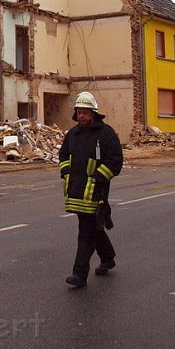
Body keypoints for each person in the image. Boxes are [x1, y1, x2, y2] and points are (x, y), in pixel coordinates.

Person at [59, 91, 123, 288]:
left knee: (86, 232)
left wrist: (98, 178)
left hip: (96, 191)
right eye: (79, 112)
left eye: (85, 112)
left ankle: (79, 275)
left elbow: (115, 161)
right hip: (76, 192)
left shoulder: (106, 134)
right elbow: (63, 156)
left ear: (94, 113)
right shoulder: (73, 134)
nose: (82, 116)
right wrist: (66, 172)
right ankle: (108, 258)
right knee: (93, 227)